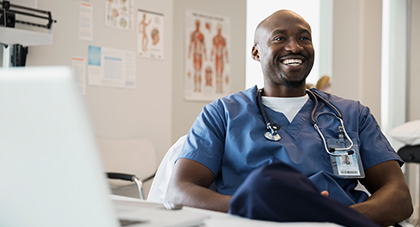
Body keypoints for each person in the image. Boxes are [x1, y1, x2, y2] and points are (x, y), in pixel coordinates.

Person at [166, 10, 413, 227]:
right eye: (279, 38)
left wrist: (336, 215)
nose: (294, 47)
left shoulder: (352, 114)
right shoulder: (223, 113)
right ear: (256, 52)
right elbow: (180, 191)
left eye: (304, 38)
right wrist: (255, 207)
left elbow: (399, 197)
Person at [188, 19, 207, 92]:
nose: (197, 25)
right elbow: (190, 44)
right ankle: (195, 87)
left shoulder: (201, 35)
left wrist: (205, 55)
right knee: (195, 71)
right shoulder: (193, 34)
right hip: (195, 54)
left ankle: (199, 88)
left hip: (200, 55)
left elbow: (203, 45)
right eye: (196, 24)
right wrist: (189, 54)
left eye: (198, 24)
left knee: (199, 72)